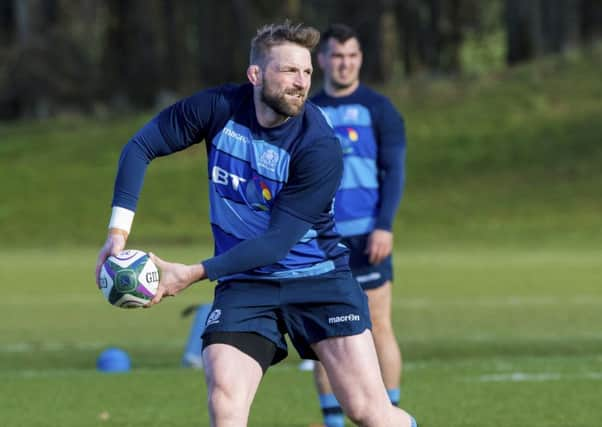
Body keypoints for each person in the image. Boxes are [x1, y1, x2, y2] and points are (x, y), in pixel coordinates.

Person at [94, 21, 417, 427]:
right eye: (289, 71)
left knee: (367, 411)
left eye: (306, 73)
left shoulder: (318, 145)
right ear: (256, 74)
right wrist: (116, 235)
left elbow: (276, 243)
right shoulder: (218, 109)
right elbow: (141, 146)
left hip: (319, 280)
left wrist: (190, 275)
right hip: (246, 285)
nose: (301, 83)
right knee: (226, 403)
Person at [309, 23, 407, 427]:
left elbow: (394, 171)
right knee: (324, 333)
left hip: (368, 235)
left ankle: (391, 411)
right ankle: (333, 421)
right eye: (336, 56)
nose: (344, 63)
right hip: (319, 238)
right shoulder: (308, 109)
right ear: (322, 60)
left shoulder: (379, 109)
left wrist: (384, 226)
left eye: (351, 56)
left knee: (379, 324)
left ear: (360, 59)